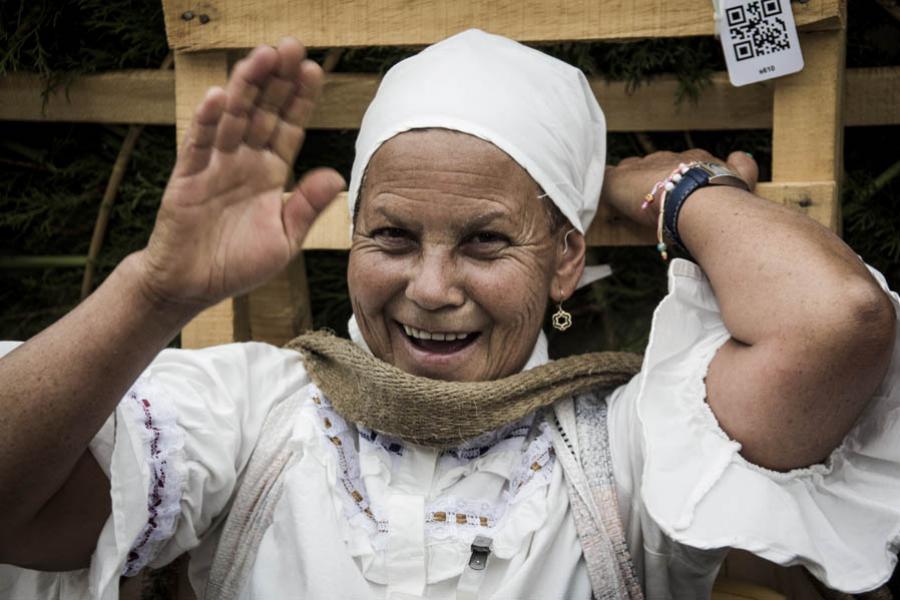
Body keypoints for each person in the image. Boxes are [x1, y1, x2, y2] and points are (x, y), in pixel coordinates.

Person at [0, 29, 897, 600]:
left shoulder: (628, 447)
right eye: (391, 236)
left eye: (484, 244)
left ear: (566, 262)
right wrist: (155, 289)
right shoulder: (250, 416)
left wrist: (667, 188)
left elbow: (837, 323)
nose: (430, 287)